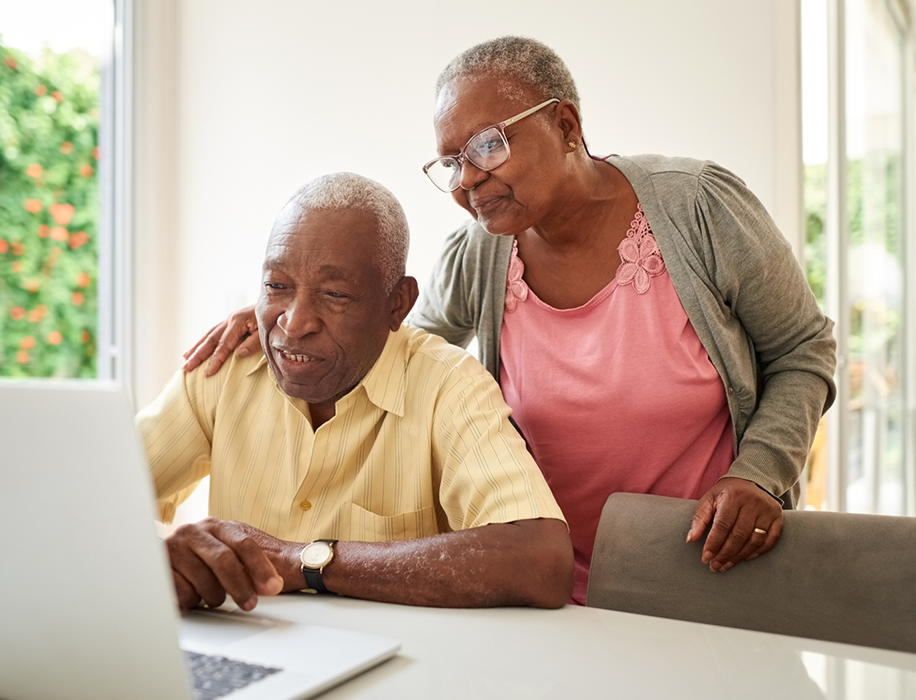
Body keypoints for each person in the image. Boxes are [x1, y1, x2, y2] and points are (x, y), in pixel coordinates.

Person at [183, 37, 837, 605]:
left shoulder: (698, 207)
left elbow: (804, 349)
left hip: (707, 565)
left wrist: (758, 473)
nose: (467, 180)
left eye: (488, 146)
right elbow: (400, 348)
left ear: (567, 125)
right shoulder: (481, 253)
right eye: (450, 162)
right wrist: (293, 306)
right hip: (540, 581)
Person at [139, 171, 573, 612]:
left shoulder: (448, 386)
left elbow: (541, 561)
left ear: (397, 304)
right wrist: (169, 556)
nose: (294, 322)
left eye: (334, 294)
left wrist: (301, 561)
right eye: (276, 286)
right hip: (246, 656)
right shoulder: (223, 369)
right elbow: (86, 504)